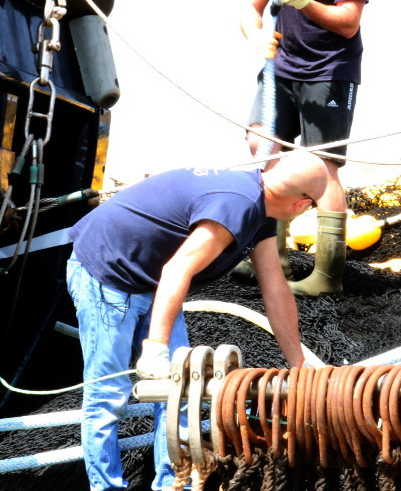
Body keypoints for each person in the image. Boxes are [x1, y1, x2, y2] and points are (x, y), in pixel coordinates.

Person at [65, 152, 328, 490]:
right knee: (108, 394)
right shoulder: (239, 204)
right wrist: (156, 348)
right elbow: (178, 268)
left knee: (183, 387)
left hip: (152, 279)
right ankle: (106, 487)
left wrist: (299, 362)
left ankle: (171, 484)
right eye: (313, 205)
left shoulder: (262, 208)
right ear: (300, 205)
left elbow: (274, 287)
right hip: (109, 269)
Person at [240, 0, 371, 297]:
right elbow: (249, 8)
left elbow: (349, 23)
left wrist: (306, 2)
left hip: (330, 71)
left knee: (322, 165)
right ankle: (269, 254)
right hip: (283, 69)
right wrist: (257, 35)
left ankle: (327, 274)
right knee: (261, 144)